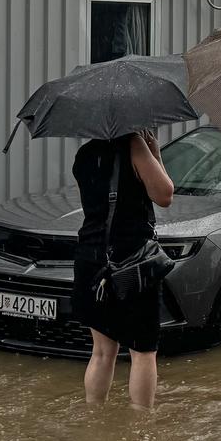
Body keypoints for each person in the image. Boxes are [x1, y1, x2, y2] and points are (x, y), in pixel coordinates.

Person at [72, 132, 174, 408]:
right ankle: (139, 429)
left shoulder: (85, 155)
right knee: (143, 351)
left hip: (91, 259)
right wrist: (154, 152)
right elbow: (164, 194)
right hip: (132, 263)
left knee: (103, 352)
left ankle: (94, 415)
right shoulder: (134, 145)